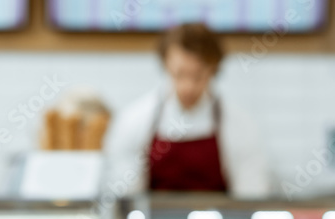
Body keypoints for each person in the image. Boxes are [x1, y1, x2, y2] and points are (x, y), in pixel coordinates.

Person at [103, 22, 270, 198]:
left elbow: (251, 197)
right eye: (179, 74)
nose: (188, 87)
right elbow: (125, 195)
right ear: (166, 66)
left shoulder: (240, 125)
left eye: (198, 76)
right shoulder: (133, 120)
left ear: (213, 70)